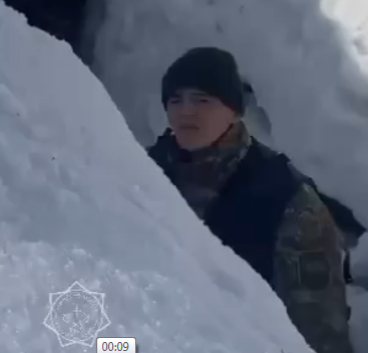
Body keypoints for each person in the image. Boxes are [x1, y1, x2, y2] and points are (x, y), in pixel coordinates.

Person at [147, 47, 355, 353]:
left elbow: (318, 334)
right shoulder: (142, 170)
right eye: (175, 100)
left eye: (202, 99)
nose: (185, 111)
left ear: (234, 111)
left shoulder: (286, 199)